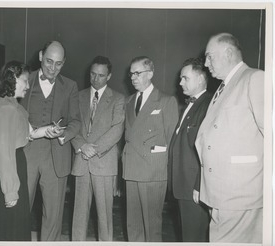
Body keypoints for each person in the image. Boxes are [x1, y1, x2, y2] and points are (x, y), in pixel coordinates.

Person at [195, 33, 264, 243]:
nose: (206, 64)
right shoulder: (223, 87)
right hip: (219, 194)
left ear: (229, 53)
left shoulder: (255, 78)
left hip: (241, 193)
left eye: (209, 57)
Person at [0, 61, 55, 241]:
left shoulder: (12, 106)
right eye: (25, 80)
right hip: (10, 171)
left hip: (15, 167)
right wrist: (10, 191)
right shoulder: (7, 109)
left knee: (15, 227)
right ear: (13, 79)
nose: (28, 85)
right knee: (11, 230)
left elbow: (28, 134)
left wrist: (49, 130)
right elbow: (4, 153)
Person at [20, 41, 81, 241]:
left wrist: (63, 135)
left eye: (58, 64)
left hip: (56, 157)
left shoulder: (70, 86)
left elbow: (76, 121)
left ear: (63, 64)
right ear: (40, 56)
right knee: (20, 212)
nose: (52, 68)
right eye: (48, 61)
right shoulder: (23, 80)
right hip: (26, 153)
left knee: (53, 218)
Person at [122, 56, 179, 242]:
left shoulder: (165, 101)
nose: (133, 77)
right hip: (131, 170)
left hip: (153, 172)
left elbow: (172, 141)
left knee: (152, 225)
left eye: (137, 73)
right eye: (131, 74)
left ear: (151, 74)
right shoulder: (128, 101)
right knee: (133, 224)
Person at [71, 56, 125, 241]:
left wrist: (94, 149)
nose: (95, 79)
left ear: (109, 76)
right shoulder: (77, 97)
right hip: (81, 161)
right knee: (78, 215)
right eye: (93, 74)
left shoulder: (118, 99)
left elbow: (117, 129)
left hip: (104, 163)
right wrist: (81, 146)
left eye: (101, 75)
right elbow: (72, 126)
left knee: (105, 217)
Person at [168, 58, 211, 242]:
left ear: (200, 79)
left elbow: (208, 149)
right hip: (182, 186)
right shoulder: (190, 105)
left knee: (194, 238)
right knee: (188, 237)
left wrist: (198, 185)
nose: (180, 83)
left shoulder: (208, 104)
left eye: (185, 78)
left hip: (194, 188)